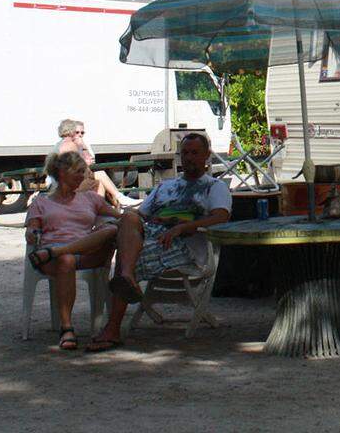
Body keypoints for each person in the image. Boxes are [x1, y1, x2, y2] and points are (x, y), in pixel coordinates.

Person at [86, 132, 230, 352]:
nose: (189, 158)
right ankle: (124, 279)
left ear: (206, 156)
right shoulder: (166, 186)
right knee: (128, 218)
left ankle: (112, 328)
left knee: (128, 259)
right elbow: (141, 213)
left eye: (195, 153)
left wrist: (182, 226)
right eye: (185, 153)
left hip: (184, 244)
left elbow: (221, 217)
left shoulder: (214, 186)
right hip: (152, 235)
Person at [25, 151, 123, 350]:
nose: (83, 177)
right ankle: (66, 327)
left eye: (84, 172)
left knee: (112, 229)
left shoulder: (90, 198)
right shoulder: (41, 202)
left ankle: (59, 252)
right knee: (66, 260)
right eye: (78, 172)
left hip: (84, 253)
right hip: (52, 256)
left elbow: (119, 217)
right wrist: (32, 233)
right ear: (62, 172)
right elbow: (32, 229)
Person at [55, 118, 139, 208]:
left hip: (76, 178)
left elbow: (88, 159)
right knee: (100, 176)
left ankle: (104, 207)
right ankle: (118, 199)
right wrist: (83, 150)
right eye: (76, 132)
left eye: (82, 133)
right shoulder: (69, 145)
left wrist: (83, 147)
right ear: (71, 131)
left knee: (100, 181)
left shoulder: (67, 144)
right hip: (73, 182)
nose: (79, 135)